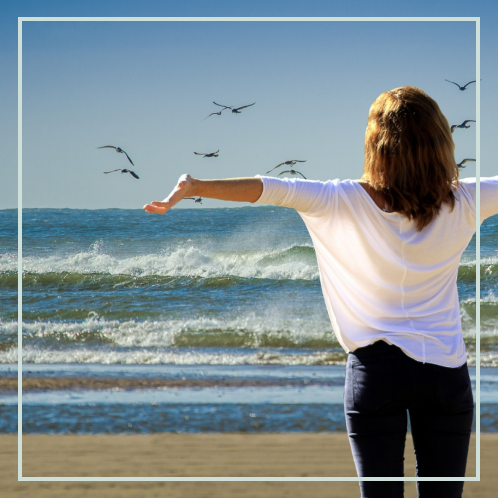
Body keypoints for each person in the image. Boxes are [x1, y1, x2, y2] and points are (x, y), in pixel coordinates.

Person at [144, 86, 498, 497]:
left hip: (374, 373)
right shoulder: (467, 198)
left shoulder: (340, 199)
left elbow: (269, 188)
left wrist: (194, 185)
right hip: (445, 373)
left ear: (376, 145)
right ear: (441, 140)